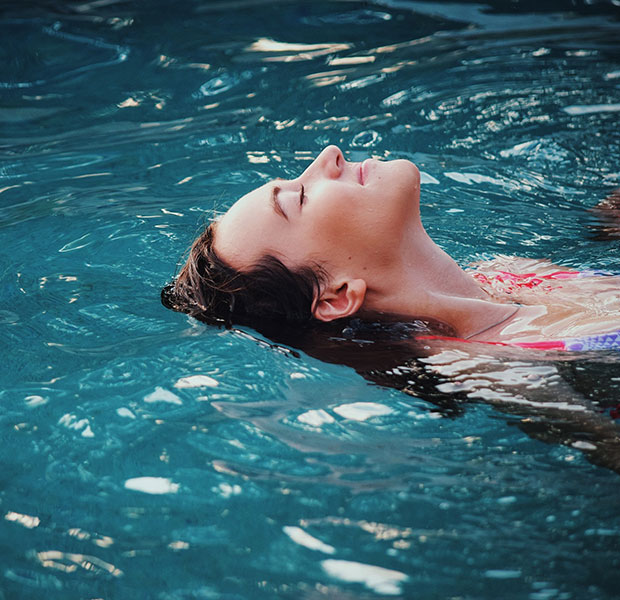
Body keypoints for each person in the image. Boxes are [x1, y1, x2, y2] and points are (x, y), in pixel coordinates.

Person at [163, 145, 620, 352]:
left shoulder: (508, 273)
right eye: (299, 197)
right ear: (339, 296)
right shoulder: (497, 363)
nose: (329, 155)